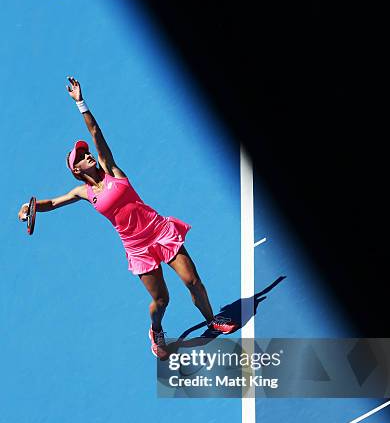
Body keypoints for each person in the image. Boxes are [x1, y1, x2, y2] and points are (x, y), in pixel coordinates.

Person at [18, 77, 238, 358]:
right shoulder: (84, 192)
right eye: (82, 157)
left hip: (158, 230)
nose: (88, 156)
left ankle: (212, 320)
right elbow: (52, 202)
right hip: (137, 248)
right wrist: (30, 206)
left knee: (192, 281)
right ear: (76, 169)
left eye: (86, 153)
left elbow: (96, 132)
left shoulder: (111, 171)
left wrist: (80, 103)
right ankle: (156, 330)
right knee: (161, 300)